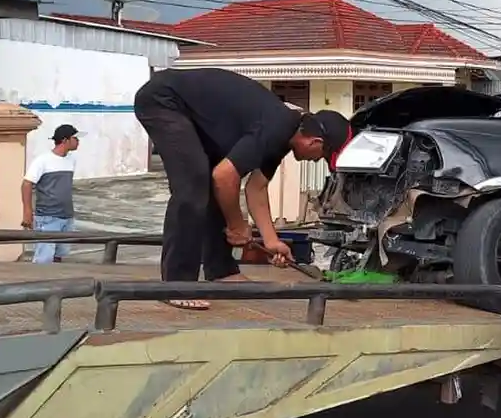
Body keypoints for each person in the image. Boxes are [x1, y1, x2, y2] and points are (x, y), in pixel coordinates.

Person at [133, 68, 351, 310]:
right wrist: (237, 224)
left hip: (196, 117)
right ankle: (176, 284)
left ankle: (221, 271)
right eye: (321, 156)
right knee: (194, 183)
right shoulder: (277, 127)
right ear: (315, 142)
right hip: (164, 100)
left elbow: (256, 189)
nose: (315, 161)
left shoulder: (284, 137)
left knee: (212, 184)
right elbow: (225, 177)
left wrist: (271, 241)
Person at [21, 124, 81, 264]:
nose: (78, 141)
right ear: (65, 140)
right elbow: (27, 184)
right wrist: (28, 211)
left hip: (66, 215)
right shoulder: (43, 160)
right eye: (75, 138)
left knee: (60, 253)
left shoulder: (71, 160)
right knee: (44, 257)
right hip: (48, 216)